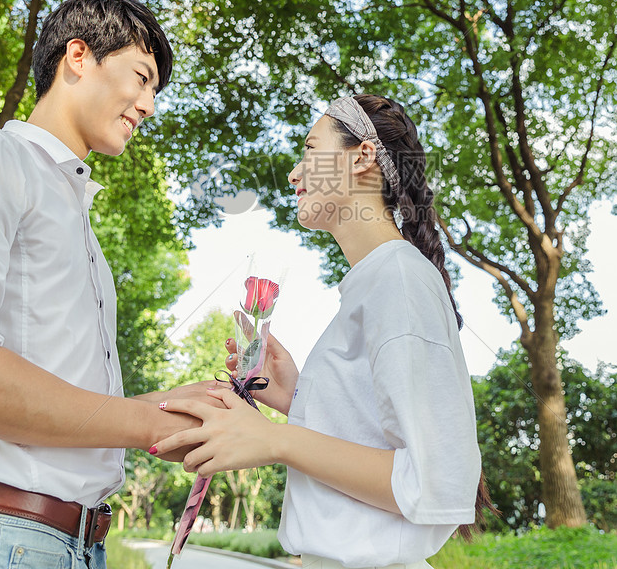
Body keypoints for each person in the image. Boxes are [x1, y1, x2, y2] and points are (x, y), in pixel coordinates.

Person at [0, 0, 209, 569]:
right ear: (78, 56)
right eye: (142, 77)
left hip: (65, 546)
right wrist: (145, 423)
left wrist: (175, 409)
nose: (149, 105)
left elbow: (56, 402)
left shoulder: (76, 217)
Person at [155, 94, 484, 569]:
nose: (294, 173)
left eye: (310, 150)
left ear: (363, 157)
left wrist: (274, 439)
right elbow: (378, 439)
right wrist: (299, 399)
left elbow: (433, 481)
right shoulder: (375, 282)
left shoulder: (399, 279)